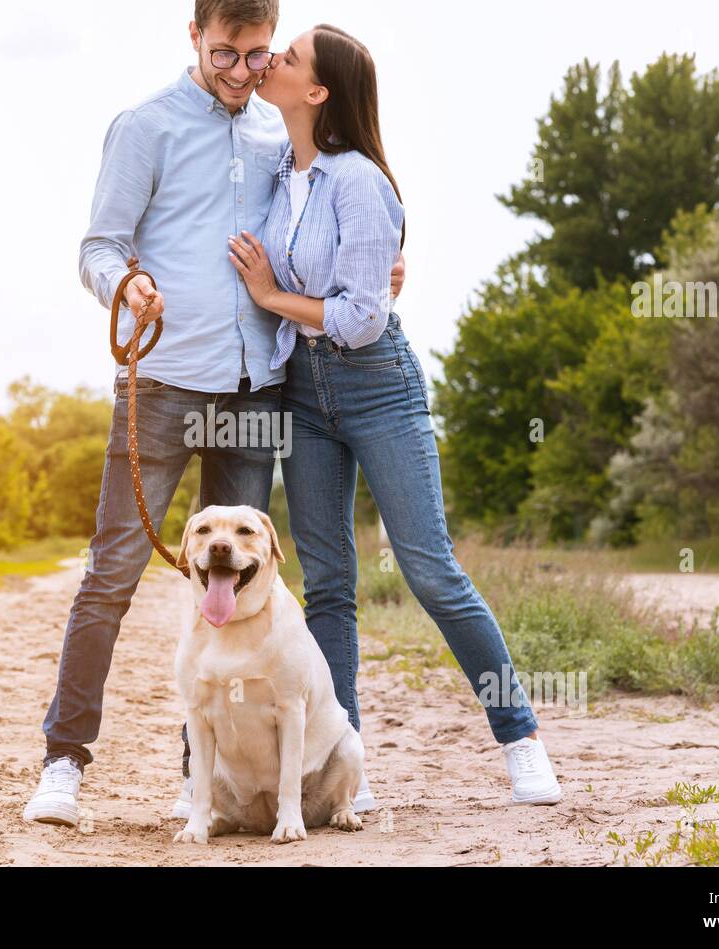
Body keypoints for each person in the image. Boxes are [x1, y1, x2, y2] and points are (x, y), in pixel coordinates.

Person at [23, 0, 405, 827]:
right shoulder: (145, 127)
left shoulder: (275, 129)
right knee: (114, 570)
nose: (242, 72)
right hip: (160, 383)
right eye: (226, 53)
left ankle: (201, 781)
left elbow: (322, 212)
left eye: (258, 55)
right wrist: (124, 282)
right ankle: (63, 762)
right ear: (194, 36)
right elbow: (98, 244)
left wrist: (376, 270)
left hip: (252, 390)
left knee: (236, 583)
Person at [227, 24, 562, 805]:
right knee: (331, 586)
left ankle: (520, 738)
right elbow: (352, 284)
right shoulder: (281, 170)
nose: (272, 59)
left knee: (431, 569)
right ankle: (347, 761)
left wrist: (275, 296)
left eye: (291, 56)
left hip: (378, 385)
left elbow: (362, 318)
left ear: (317, 93)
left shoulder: (359, 180)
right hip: (305, 395)